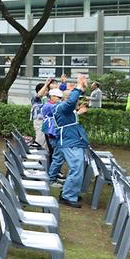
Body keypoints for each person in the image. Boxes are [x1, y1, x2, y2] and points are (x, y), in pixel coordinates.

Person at [46, 74, 90, 208]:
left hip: (71, 141)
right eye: (75, 97)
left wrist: (81, 89)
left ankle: (70, 192)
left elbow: (72, 105)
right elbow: (71, 102)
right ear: (67, 98)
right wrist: (77, 87)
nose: (77, 101)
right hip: (69, 142)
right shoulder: (63, 107)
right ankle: (68, 196)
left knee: (76, 168)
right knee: (76, 168)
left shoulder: (65, 109)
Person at [30, 78, 54, 151]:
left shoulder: (48, 99)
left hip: (46, 122)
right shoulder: (35, 99)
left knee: (46, 142)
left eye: (47, 90)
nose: (47, 92)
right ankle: (39, 157)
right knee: (40, 139)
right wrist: (46, 84)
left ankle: (44, 158)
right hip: (39, 121)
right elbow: (39, 95)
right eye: (45, 90)